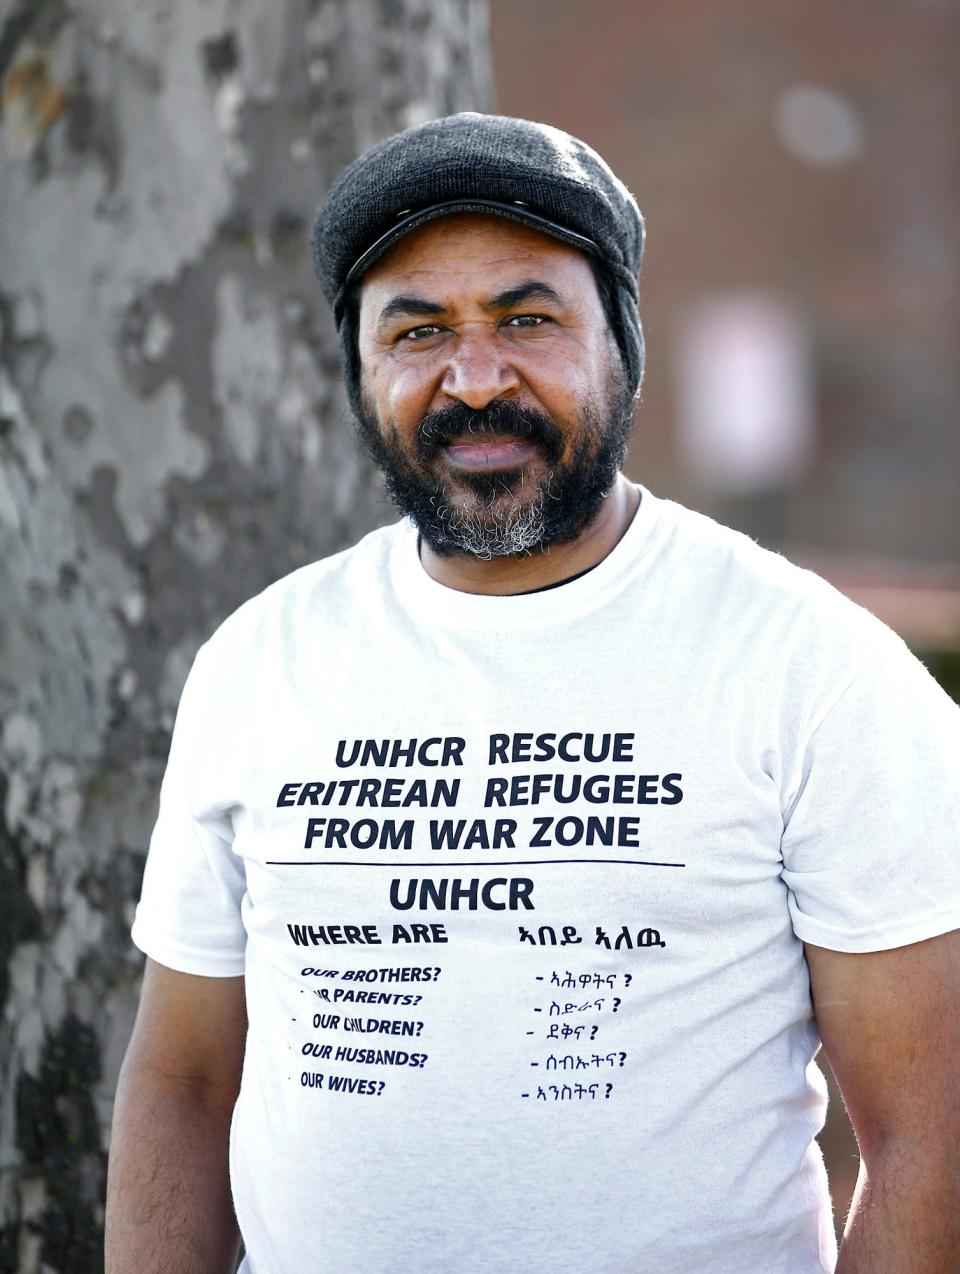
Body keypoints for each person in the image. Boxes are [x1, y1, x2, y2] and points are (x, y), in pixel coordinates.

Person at [105, 113, 960, 1274]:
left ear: (622, 343)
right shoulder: (261, 661)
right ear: (359, 366)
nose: (475, 377)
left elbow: (930, 1132)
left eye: (528, 318)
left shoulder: (808, 664)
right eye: (416, 330)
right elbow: (184, 1081)